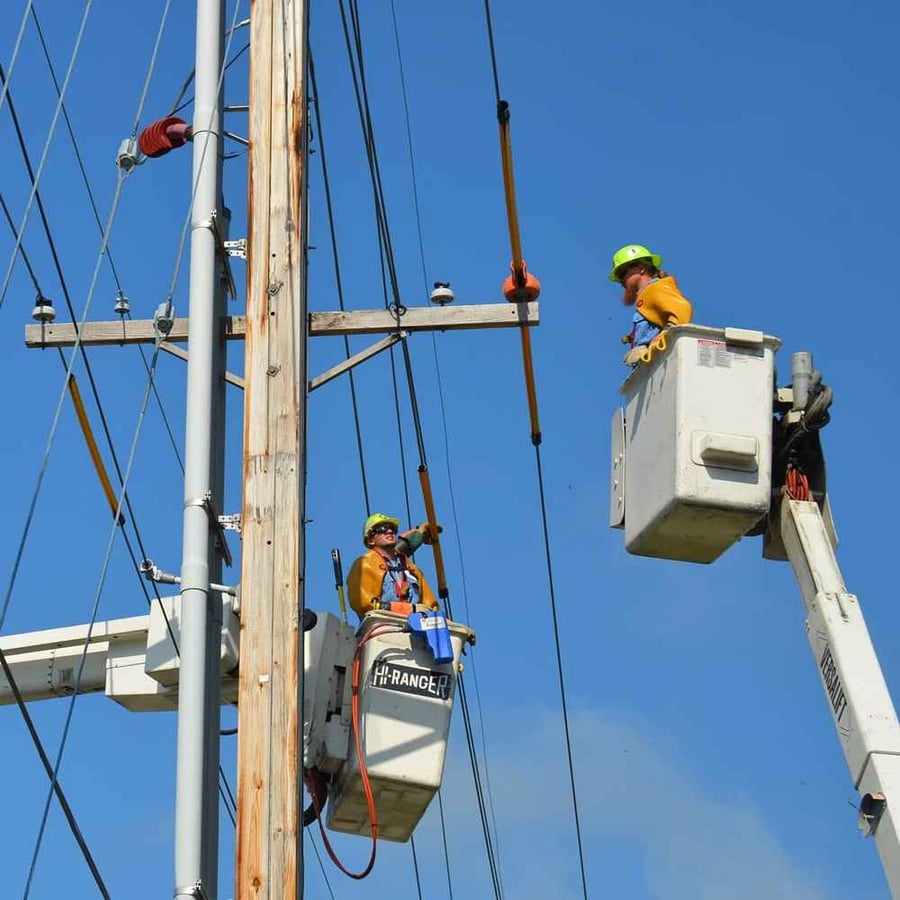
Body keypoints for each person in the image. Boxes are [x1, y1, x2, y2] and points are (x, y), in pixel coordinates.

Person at [608, 244, 693, 366]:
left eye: (622, 273)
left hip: (661, 363)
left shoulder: (656, 289)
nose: (621, 280)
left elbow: (683, 309)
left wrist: (659, 341)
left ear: (641, 268)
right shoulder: (647, 295)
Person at [347, 513, 439, 619]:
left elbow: (431, 606)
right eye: (382, 529)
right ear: (371, 540)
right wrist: (407, 609)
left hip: (417, 625)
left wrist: (418, 535)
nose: (390, 531)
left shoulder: (411, 569)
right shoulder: (364, 564)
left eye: (393, 529)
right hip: (385, 624)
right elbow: (364, 604)